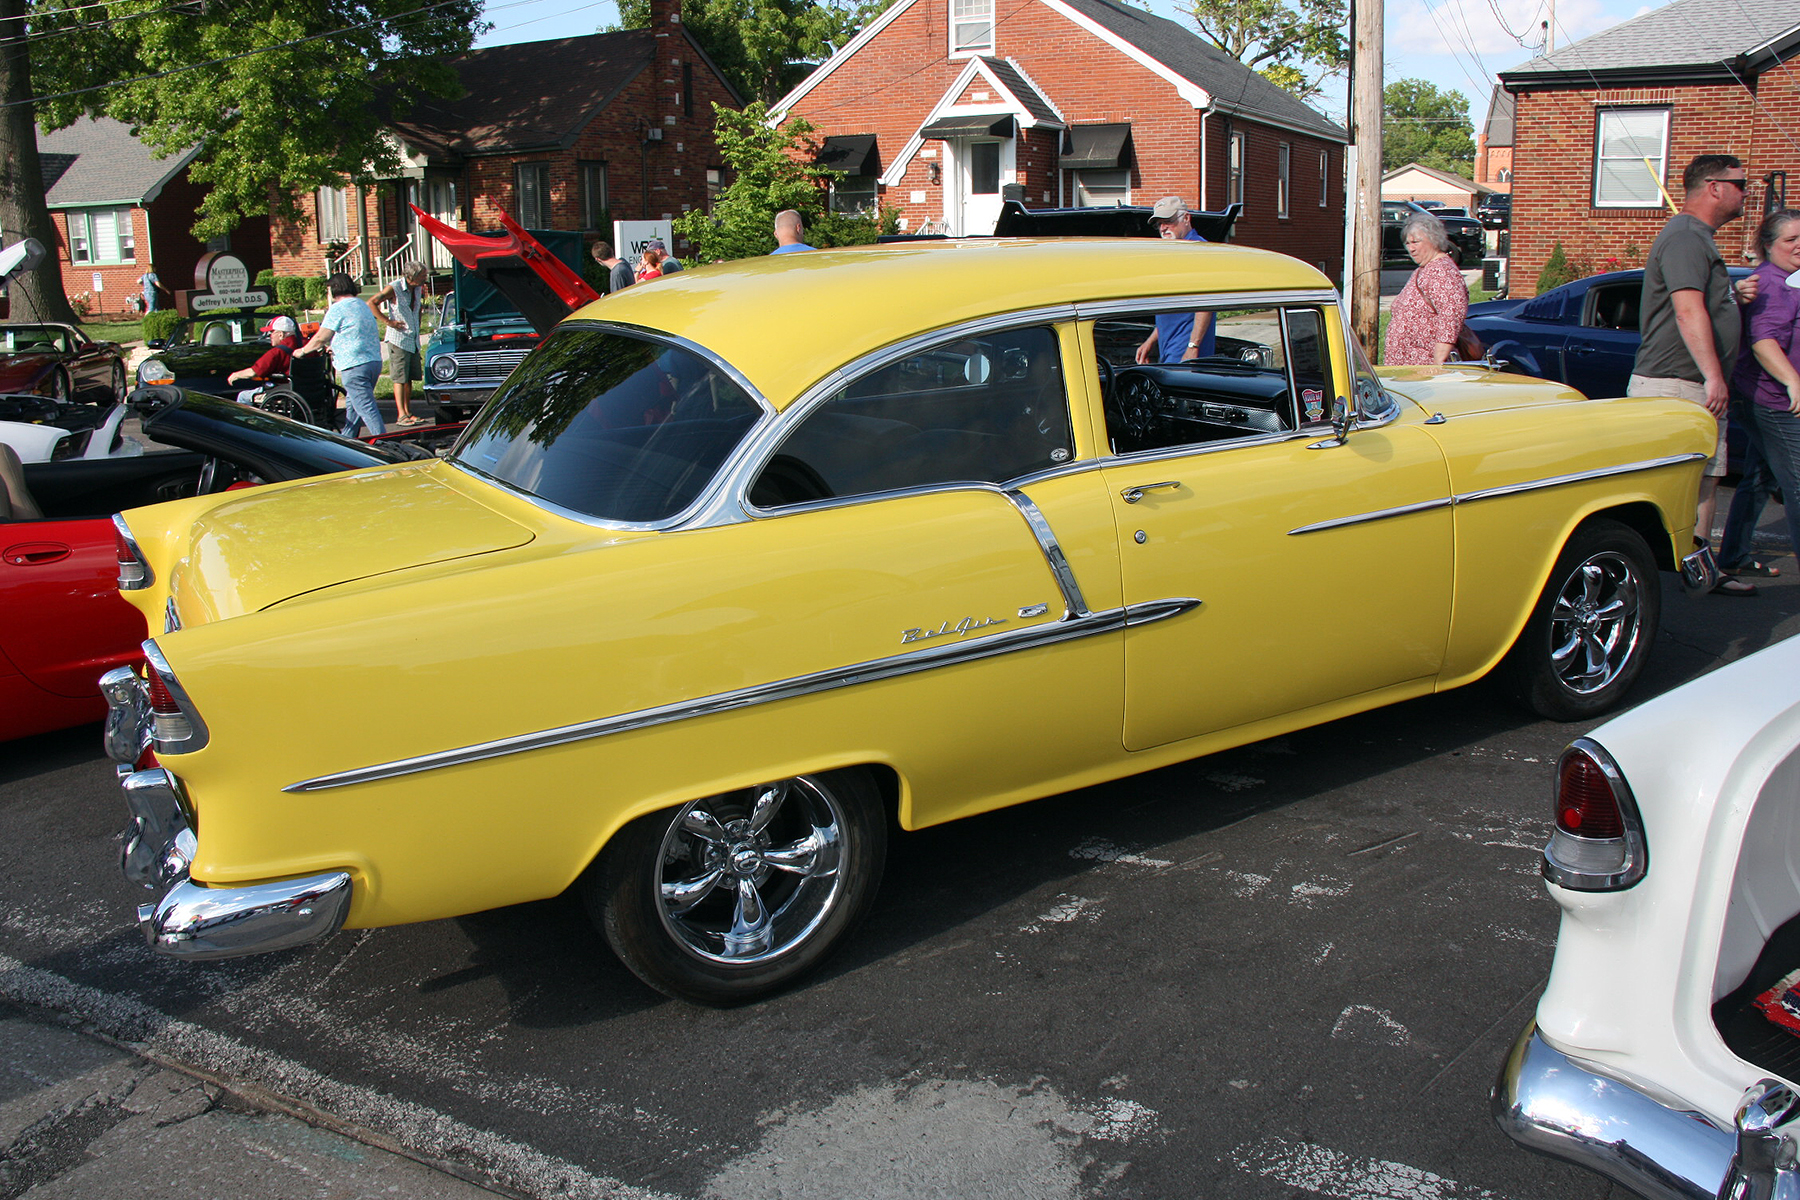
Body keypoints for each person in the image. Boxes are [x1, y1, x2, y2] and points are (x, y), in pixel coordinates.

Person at [1628, 153, 1760, 594]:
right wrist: (1714, 376)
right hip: (1676, 383)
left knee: (1707, 477)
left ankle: (1701, 570)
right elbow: (1686, 311)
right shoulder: (1686, 237)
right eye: (1740, 184)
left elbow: (1698, 302)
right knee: (1669, 484)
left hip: (1692, 384)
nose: (1747, 192)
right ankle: (1641, 581)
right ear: (1714, 187)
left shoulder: (1698, 238)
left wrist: (1731, 297)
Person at [1719, 207, 1800, 579]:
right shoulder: (1772, 283)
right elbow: (1764, 340)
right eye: (1791, 239)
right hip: (1772, 400)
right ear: (1769, 245)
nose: (1799, 246)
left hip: (1766, 398)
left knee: (1758, 477)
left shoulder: (1791, 281)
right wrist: (1792, 381)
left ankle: (1733, 554)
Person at [293, 272, 384, 437]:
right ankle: (347, 440)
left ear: (334, 289)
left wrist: (302, 351)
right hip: (373, 362)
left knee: (366, 408)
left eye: (328, 290)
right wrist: (335, 346)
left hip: (353, 365)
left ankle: (388, 443)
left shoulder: (338, 308)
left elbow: (321, 337)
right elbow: (353, 332)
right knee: (353, 407)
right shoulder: (361, 304)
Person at [1135, 196, 1214, 364]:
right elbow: (1174, 312)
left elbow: (1206, 303)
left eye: (1169, 221)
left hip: (1186, 353)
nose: (1163, 228)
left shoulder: (1198, 252)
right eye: (1159, 224)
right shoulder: (1174, 254)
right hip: (1169, 348)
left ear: (1186, 218)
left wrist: (1193, 347)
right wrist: (1151, 341)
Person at [1383, 212, 1469, 365]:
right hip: (1407, 371)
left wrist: (1438, 365)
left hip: (1424, 372)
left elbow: (1450, 318)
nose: (1411, 249)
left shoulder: (1442, 271)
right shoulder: (1424, 269)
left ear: (1434, 239)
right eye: (1408, 243)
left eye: (1416, 242)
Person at [369, 263, 429, 426]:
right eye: (422, 275)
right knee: (400, 378)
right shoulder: (394, 288)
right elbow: (372, 302)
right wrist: (388, 322)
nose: (425, 278)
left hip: (412, 339)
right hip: (399, 339)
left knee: (409, 378)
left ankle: (408, 412)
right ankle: (401, 415)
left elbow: (418, 309)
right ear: (411, 276)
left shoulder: (417, 289)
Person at [226, 315, 299, 403]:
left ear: (281, 334)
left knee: (243, 396)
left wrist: (236, 375)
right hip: (306, 391)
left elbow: (255, 372)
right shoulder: (306, 348)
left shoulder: (277, 352)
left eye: (271, 332)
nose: (269, 336)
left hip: (282, 392)